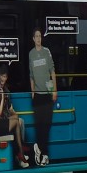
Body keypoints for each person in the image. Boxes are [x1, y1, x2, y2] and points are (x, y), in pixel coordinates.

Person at [0, 70, 30, 167]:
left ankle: (20, 153)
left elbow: (4, 109)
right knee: (16, 120)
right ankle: (21, 152)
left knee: (16, 119)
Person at [28, 29, 56, 165]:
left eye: (40, 36)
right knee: (40, 126)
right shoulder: (31, 54)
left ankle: (39, 147)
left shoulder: (47, 51)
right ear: (33, 39)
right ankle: (44, 154)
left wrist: (55, 90)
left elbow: (52, 71)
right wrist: (32, 92)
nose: (39, 38)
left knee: (47, 124)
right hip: (37, 96)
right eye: (36, 36)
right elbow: (31, 75)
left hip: (47, 94)